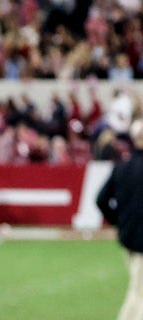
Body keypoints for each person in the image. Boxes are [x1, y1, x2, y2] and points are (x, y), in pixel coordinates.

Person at [96, 118, 143, 320]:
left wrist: (119, 221)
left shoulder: (122, 167)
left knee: (137, 289)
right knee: (139, 294)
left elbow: (101, 200)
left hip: (129, 239)